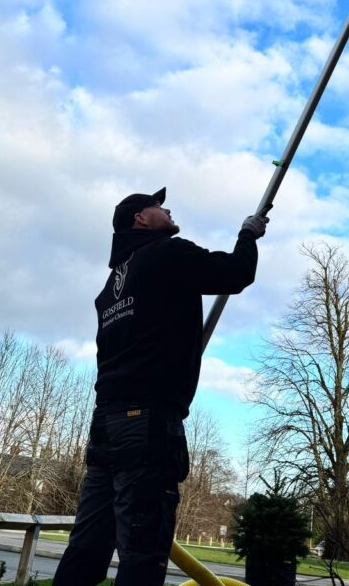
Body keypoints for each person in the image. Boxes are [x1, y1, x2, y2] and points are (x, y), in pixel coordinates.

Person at [52, 187, 269, 586]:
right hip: (147, 424)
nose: (167, 209)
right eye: (158, 206)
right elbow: (236, 274)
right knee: (143, 552)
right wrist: (248, 236)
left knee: (87, 547)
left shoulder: (110, 288)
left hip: (107, 424)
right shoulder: (167, 253)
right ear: (141, 219)